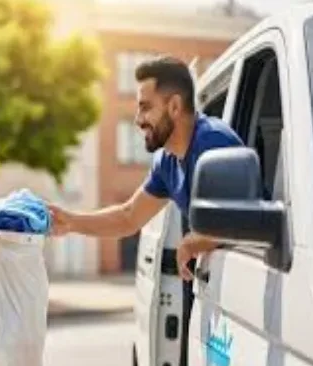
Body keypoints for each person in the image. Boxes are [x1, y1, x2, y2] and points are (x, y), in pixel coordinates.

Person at [49, 55, 243, 280]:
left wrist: (199, 240)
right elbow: (128, 217)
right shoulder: (166, 161)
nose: (138, 120)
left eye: (145, 108)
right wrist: (71, 222)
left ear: (174, 106)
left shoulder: (215, 144)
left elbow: (245, 219)